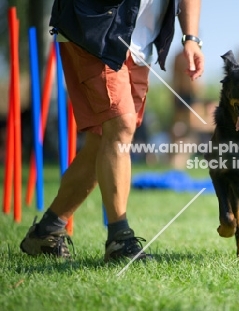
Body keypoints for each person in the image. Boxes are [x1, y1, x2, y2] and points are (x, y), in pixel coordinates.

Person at [19, 0, 204, 261]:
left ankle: (46, 231)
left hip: (141, 44)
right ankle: (119, 240)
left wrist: (191, 38)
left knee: (104, 141)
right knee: (121, 126)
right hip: (96, 28)